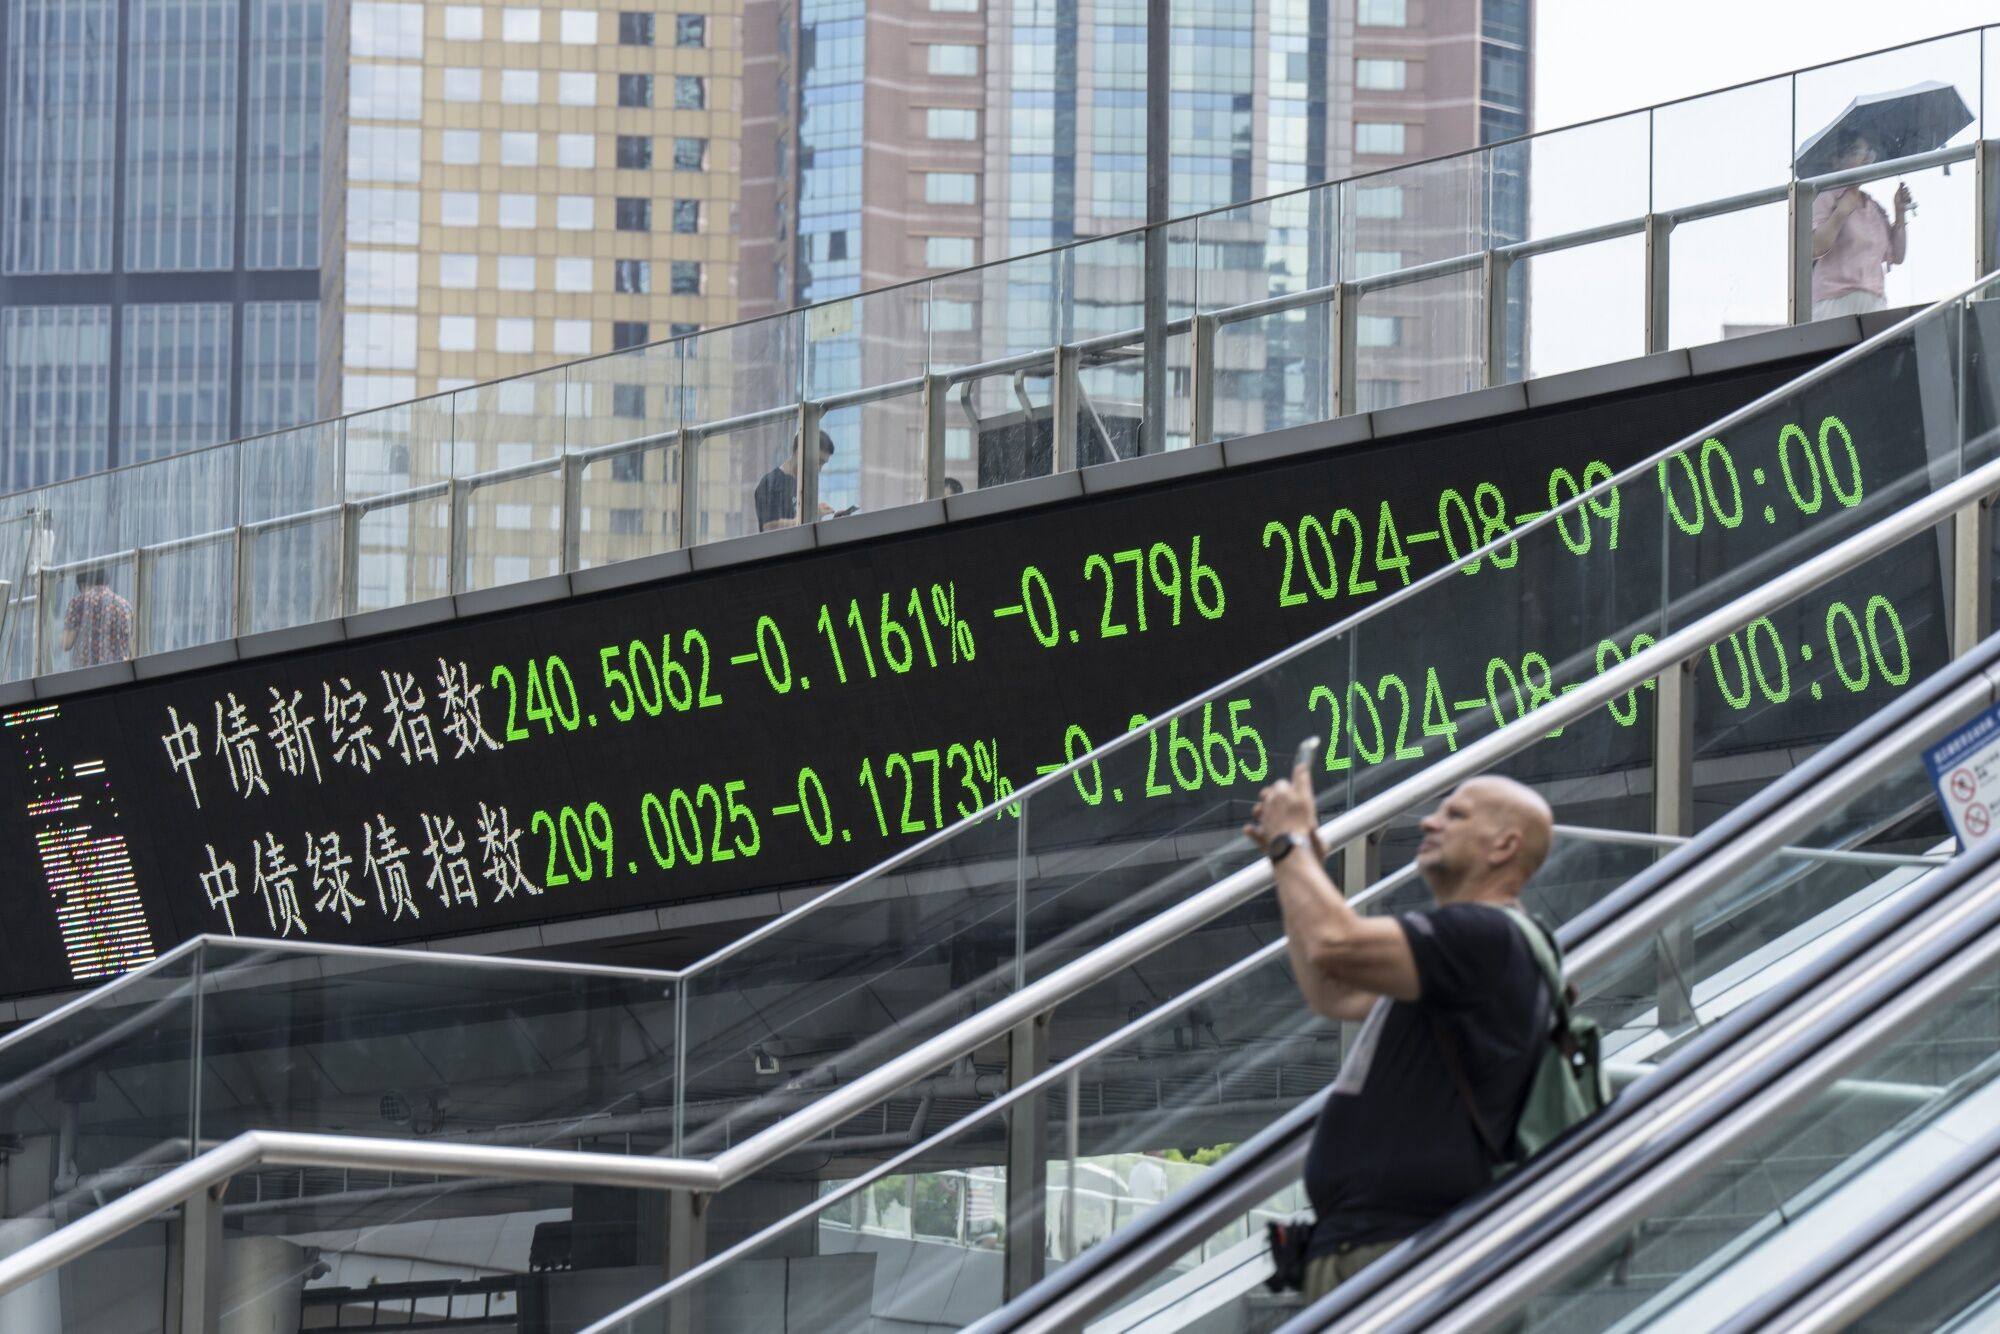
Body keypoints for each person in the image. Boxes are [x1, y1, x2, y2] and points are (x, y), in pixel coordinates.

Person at [1245, 766, 1555, 1301]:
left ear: (1505, 845)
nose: (1429, 823)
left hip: (1407, 1257)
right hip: (1374, 1251)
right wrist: (1295, 867)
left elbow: (1334, 946)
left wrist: (1291, 843)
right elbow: (1331, 991)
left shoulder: (1486, 936)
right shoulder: (1466, 955)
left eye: (1454, 814)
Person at [1810, 130, 1912, 320]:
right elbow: (1816, 247)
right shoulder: (1826, 198)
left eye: (1869, 153)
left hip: (1874, 303)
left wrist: (1900, 213)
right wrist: (1840, 212)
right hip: (1834, 303)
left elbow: (1897, 255)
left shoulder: (1874, 208)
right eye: (1857, 152)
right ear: (1836, 160)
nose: (1866, 159)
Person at [754, 431, 837, 531]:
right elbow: (769, 528)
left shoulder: (803, 484)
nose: (819, 469)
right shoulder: (771, 483)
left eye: (822, 464)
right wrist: (811, 514)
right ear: (800, 452)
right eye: (818, 462)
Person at [61, 568, 134, 669]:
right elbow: (131, 646)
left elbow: (66, 643)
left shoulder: (79, 603)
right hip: (120, 673)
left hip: (88, 675)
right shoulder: (125, 605)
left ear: (82, 584)